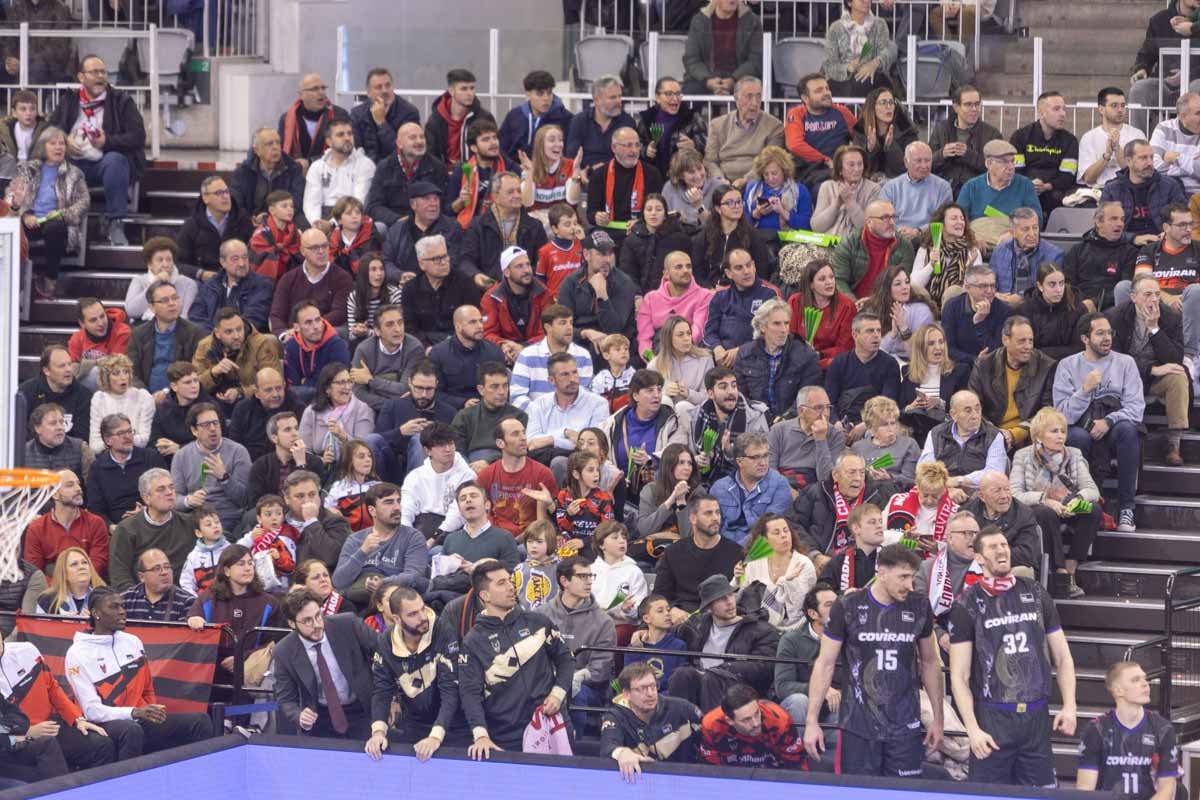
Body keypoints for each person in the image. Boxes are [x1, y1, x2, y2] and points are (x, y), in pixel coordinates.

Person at [948, 526, 1077, 786]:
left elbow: (1063, 657)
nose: (1001, 550)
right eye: (993, 547)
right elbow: (959, 676)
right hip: (993, 717)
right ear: (979, 558)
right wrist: (972, 729)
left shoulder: (1036, 592)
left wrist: (1070, 705)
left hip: (1036, 716)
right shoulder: (967, 603)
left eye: (1004, 545)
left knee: (1042, 792)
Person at [803, 544, 942, 776]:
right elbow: (824, 664)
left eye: (912, 577)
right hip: (857, 725)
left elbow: (930, 662)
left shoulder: (919, 605)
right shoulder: (848, 606)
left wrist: (938, 719)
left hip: (905, 724)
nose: (909, 584)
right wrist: (811, 721)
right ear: (882, 572)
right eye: (903, 577)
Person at [66, 589, 213, 758]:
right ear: (96, 613)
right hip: (106, 724)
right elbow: (91, 711)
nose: (122, 611)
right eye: (114, 607)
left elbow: (147, 689)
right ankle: (127, 783)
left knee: (200, 722)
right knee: (131, 730)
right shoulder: (77, 653)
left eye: (122, 606)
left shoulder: (133, 642)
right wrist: (133, 712)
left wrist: (151, 712)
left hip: (139, 718)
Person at [457, 560, 575, 755]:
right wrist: (481, 735)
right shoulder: (473, 642)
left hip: (554, 725)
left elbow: (566, 660)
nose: (511, 587)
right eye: (501, 583)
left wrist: (558, 694)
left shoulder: (538, 622)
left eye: (510, 581)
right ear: (485, 595)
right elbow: (469, 693)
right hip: (507, 737)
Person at [1053, 312, 1145, 532]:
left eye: (1109, 332)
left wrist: (1108, 421)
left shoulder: (1126, 363)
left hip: (1113, 426)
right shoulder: (1067, 365)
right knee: (1076, 437)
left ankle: (1126, 508)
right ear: (1085, 338)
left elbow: (1136, 408)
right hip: (1080, 426)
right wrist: (1084, 390)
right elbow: (1062, 415)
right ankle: (1080, 507)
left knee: (1128, 430)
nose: (1107, 338)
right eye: (1100, 333)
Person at [49, 55, 145, 247]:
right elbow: (49, 129)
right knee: (51, 165)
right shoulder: (69, 100)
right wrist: (64, 140)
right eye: (94, 72)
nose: (100, 76)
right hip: (74, 164)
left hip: (104, 163)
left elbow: (138, 136)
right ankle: (58, 226)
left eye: (103, 72)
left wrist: (106, 141)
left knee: (116, 161)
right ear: (81, 77)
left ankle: (116, 223)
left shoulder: (121, 101)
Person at [365, 588, 468, 760]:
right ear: (397, 619)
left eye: (422, 608)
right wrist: (378, 732)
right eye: (413, 614)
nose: (422, 617)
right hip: (415, 724)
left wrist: (435, 737)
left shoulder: (443, 630)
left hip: (454, 724)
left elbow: (450, 690)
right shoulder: (385, 642)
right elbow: (381, 691)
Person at [1011, 406, 1103, 598]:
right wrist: (1045, 500)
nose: (1060, 436)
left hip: (1069, 506)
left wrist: (1076, 501)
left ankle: (1072, 566)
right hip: (1040, 510)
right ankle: (1059, 571)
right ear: (1038, 436)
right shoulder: (1023, 456)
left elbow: (1092, 490)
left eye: (1063, 431)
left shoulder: (1074, 454)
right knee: (1045, 512)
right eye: (1054, 431)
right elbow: (1015, 494)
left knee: (1093, 510)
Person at [1107, 274, 1190, 466]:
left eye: (1157, 294)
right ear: (1133, 296)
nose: (1153, 299)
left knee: (1178, 376)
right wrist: (1152, 369)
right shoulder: (1115, 317)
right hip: (1126, 378)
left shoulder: (1171, 317)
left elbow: (1175, 358)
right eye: (1147, 294)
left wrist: (1154, 329)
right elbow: (1114, 360)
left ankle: (1173, 442)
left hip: (1156, 381)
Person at [664, 573, 780, 710]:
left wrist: (723, 669)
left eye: (731, 595)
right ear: (709, 607)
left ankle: (712, 729)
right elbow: (665, 633)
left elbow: (764, 668)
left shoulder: (761, 629)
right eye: (721, 599)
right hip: (701, 682)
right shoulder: (697, 625)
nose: (730, 602)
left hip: (739, 689)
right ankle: (682, 728)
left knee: (712, 678)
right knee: (682, 674)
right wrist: (643, 632)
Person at [271, 589, 376, 739]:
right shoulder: (284, 651)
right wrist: (299, 716)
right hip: (320, 718)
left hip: (362, 709)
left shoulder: (347, 624)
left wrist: (391, 698)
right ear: (292, 623)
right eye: (307, 620)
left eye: (318, 616)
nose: (317, 625)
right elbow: (286, 698)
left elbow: (383, 653)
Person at [1076, 661, 1180, 800]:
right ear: (1118, 690)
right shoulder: (1096, 730)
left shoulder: (1163, 729)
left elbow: (1167, 790)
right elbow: (1085, 789)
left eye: (1145, 678)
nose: (1145, 684)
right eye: (1135, 680)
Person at [11, 126, 88, 298]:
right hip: (29, 221)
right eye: (53, 143)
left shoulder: (74, 174)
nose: (58, 147)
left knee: (55, 227)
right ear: (43, 147)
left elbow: (83, 202)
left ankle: (50, 279)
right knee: (13, 233)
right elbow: (12, 195)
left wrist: (62, 214)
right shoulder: (28, 170)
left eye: (61, 143)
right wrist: (25, 214)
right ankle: (15, 286)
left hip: (56, 221)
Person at [793, 452, 898, 573]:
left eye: (862, 473)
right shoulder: (817, 493)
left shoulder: (876, 496)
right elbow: (794, 524)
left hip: (862, 564)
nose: (858, 478)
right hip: (821, 563)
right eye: (852, 472)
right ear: (836, 475)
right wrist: (814, 554)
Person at [967, 315, 1057, 453]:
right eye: (1022, 341)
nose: (1028, 347)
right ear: (1005, 340)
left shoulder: (1045, 366)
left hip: (1029, 436)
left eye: (1030, 341)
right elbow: (974, 407)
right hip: (990, 434)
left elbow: (1047, 411)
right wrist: (995, 434)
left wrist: (1014, 434)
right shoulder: (984, 366)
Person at [601, 662, 702, 782]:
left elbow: (709, 734)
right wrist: (623, 753)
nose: (650, 694)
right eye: (642, 689)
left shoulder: (682, 709)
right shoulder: (615, 716)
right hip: (639, 782)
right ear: (626, 694)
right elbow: (608, 746)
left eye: (653, 686)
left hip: (684, 780)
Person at [1130, 204, 1200, 370]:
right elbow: (1140, 281)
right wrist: (1168, 299)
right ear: (1166, 227)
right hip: (1156, 304)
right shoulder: (1150, 250)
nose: (1189, 229)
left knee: (1195, 291)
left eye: (1191, 224)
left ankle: (1188, 356)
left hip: (1189, 305)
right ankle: (1129, 348)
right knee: (1124, 288)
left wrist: (1182, 298)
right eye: (1182, 225)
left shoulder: (1198, 249)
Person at [735, 299, 821, 420]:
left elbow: (808, 398)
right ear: (762, 327)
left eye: (786, 323)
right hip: (754, 421)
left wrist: (784, 420)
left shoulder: (806, 355)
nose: (784, 330)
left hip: (793, 424)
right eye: (777, 324)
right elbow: (740, 396)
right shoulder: (745, 354)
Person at [774, 582, 840, 728]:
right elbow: (783, 686)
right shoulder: (791, 640)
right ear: (812, 613)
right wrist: (820, 689)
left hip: (832, 707)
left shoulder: (847, 638)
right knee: (799, 701)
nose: (838, 609)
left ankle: (832, 749)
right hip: (802, 705)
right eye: (829, 605)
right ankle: (798, 749)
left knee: (845, 703)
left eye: (838, 603)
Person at [24, 468, 107, 580]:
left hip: (87, 584)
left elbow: (98, 563)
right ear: (55, 494)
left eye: (78, 484)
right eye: (70, 485)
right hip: (51, 590)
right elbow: (34, 572)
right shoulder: (36, 528)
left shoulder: (96, 523)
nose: (78, 489)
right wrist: (59, 588)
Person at [192, 307, 282, 411]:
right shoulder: (204, 346)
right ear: (217, 333)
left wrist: (240, 392)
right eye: (229, 332)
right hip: (214, 404)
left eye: (239, 329)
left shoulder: (261, 343)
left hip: (254, 404)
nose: (236, 336)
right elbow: (194, 386)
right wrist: (213, 373)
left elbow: (273, 383)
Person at [268, 228, 354, 335]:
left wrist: (306, 329)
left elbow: (339, 314)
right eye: (314, 248)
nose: (321, 251)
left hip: (326, 334)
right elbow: (277, 315)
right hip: (292, 337)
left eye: (324, 246)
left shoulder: (342, 278)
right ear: (302, 251)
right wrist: (283, 334)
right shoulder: (288, 279)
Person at [85, 413, 166, 526]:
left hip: (151, 521)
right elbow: (95, 508)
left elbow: (165, 492)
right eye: (121, 433)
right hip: (115, 527)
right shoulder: (97, 468)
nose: (127, 436)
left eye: (129, 431)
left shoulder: (151, 458)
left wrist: (146, 511)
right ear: (108, 440)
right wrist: (111, 527)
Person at [699, 683, 804, 768]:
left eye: (757, 713)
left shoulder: (780, 720)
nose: (756, 723)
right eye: (746, 719)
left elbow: (796, 766)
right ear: (729, 720)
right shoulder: (711, 726)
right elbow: (711, 771)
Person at [738, 512, 816, 629]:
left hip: (797, 628)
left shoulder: (804, 564)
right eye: (777, 533)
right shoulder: (753, 563)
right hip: (758, 627)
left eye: (786, 530)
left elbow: (799, 607)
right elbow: (744, 599)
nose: (784, 535)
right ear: (765, 539)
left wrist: (786, 582)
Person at [1009, 91, 1080, 219]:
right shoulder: (1020, 137)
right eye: (1056, 109)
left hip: (1056, 192)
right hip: (1024, 188)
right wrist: (1029, 184)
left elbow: (1068, 175)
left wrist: (1047, 186)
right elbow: (1016, 170)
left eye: (1064, 109)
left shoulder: (1070, 141)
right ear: (1041, 112)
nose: (1063, 114)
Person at [825, 311, 901, 428]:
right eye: (870, 331)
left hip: (875, 425)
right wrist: (836, 424)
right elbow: (829, 402)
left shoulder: (890, 364)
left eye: (878, 330)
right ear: (855, 335)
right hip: (841, 423)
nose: (876, 335)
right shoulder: (839, 363)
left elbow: (888, 405)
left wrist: (866, 425)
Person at [703, 77, 784, 186]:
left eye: (758, 96)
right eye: (749, 97)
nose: (755, 103)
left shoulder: (774, 126)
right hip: (722, 183)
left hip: (757, 181)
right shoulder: (717, 125)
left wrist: (746, 180)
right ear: (736, 99)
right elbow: (710, 161)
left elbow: (769, 161)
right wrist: (720, 179)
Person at [401, 235, 479, 347]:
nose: (444, 262)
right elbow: (410, 329)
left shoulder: (465, 283)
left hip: (459, 345)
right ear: (422, 264)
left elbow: (472, 323)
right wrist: (427, 347)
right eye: (437, 259)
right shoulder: (410, 289)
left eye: (445, 256)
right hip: (424, 347)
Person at [896, 324, 968, 445]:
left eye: (941, 342)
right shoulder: (908, 373)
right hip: (916, 435)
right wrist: (910, 408)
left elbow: (965, 407)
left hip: (947, 434)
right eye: (931, 344)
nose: (938, 347)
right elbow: (899, 411)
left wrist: (940, 403)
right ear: (920, 348)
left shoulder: (960, 371)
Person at [128, 281, 204, 395]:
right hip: (145, 398)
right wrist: (146, 397)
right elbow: (132, 373)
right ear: (152, 307)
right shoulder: (138, 334)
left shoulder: (194, 333)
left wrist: (169, 394)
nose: (172, 303)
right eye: (164, 300)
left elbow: (197, 373)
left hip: (180, 396)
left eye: (175, 298)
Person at [784, 74, 857, 192]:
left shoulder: (842, 112)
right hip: (809, 172)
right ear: (805, 98)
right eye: (819, 91)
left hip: (839, 170)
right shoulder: (796, 113)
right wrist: (824, 160)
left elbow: (860, 138)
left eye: (827, 88)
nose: (826, 93)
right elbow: (794, 145)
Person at [1063, 202, 1141, 312]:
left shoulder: (1130, 253)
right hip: (1079, 306)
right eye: (1114, 219)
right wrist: (1081, 304)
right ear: (1099, 222)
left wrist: (1095, 303)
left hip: (1111, 308)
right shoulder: (1077, 250)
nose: (1120, 224)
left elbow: (1124, 290)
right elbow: (1067, 284)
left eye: (1122, 219)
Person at [1102, 140, 1187, 240]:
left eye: (1151, 157)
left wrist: (1168, 234)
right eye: (1143, 158)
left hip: (1162, 242)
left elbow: (1184, 219)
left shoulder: (1170, 185)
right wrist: (1133, 239)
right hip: (1125, 246)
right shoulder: (1112, 189)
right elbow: (1104, 227)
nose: (1150, 163)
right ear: (1128, 161)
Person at [830, 199, 916, 299]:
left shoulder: (904, 245)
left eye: (893, 217)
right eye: (885, 218)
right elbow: (839, 280)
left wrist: (878, 304)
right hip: (854, 304)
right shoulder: (849, 243)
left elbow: (903, 285)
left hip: (887, 303)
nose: (892, 222)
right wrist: (854, 303)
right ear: (869, 222)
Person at [368, 125, 449, 230]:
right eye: (413, 137)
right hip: (395, 224)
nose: (419, 141)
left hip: (428, 223)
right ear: (399, 143)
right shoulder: (384, 167)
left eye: (422, 137)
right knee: (380, 228)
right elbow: (374, 206)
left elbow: (443, 203)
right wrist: (398, 220)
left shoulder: (437, 166)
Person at [480, 246, 553, 363]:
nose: (526, 270)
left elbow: (548, 331)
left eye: (528, 264)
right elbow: (488, 333)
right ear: (507, 272)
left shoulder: (544, 293)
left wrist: (524, 347)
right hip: (505, 355)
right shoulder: (491, 298)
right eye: (519, 266)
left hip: (537, 353)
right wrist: (503, 345)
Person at [175, 176, 254, 281]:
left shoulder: (243, 221)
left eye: (227, 192)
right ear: (205, 198)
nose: (225, 196)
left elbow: (254, 256)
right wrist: (202, 274)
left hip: (238, 278)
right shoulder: (192, 225)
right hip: (204, 282)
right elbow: (179, 264)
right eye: (219, 193)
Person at [691, 184, 772, 286]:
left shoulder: (753, 236)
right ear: (718, 209)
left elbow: (761, 272)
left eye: (739, 202)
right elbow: (698, 272)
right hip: (710, 291)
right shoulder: (705, 236)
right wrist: (710, 290)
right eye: (730, 203)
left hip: (743, 291)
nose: (736, 206)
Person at [929, 85, 1003, 195]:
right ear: (956, 107)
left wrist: (968, 155)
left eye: (977, 104)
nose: (974, 109)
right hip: (944, 191)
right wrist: (942, 154)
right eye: (968, 105)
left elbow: (999, 170)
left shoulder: (992, 133)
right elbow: (927, 163)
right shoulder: (941, 129)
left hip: (979, 193)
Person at [348, 303, 423, 413]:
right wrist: (391, 405)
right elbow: (358, 393)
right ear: (377, 331)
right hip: (370, 409)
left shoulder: (415, 348)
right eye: (389, 324)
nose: (397, 329)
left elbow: (406, 389)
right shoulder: (363, 350)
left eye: (400, 323)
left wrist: (370, 380)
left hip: (405, 410)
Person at [302, 118, 375, 228]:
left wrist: (332, 224)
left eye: (350, 134)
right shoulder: (317, 166)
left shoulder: (365, 164)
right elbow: (311, 203)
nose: (347, 138)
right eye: (340, 135)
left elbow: (358, 202)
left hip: (353, 217)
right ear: (329, 141)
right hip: (322, 217)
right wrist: (317, 224)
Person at [381, 182, 462, 281]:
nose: (433, 204)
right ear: (413, 204)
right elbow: (386, 262)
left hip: (441, 286)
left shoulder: (452, 228)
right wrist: (400, 275)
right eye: (427, 199)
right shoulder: (397, 230)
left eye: (436, 199)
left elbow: (455, 262)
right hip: (403, 286)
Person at [188, 241, 274, 334]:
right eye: (235, 259)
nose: (242, 263)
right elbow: (196, 316)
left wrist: (227, 334)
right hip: (211, 339)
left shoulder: (262, 285)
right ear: (223, 262)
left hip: (245, 341)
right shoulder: (210, 285)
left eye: (245, 257)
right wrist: (215, 335)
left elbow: (254, 319)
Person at [229, 127, 308, 228]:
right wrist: (251, 219)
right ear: (257, 150)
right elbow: (237, 202)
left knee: (305, 228)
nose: (275, 147)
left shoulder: (293, 169)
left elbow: (296, 200)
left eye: (278, 143)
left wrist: (272, 217)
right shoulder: (242, 172)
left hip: (285, 217)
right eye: (269, 144)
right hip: (253, 219)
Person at [681, 0, 763, 96]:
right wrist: (708, 80)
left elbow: (756, 59)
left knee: (755, 89)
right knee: (687, 93)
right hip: (706, 78)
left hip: (740, 78)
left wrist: (734, 79)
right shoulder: (699, 21)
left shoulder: (752, 21)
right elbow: (692, 59)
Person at [618, 194, 693, 297]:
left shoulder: (679, 239)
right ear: (643, 214)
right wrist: (637, 296)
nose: (653, 213)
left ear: (665, 214)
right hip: (640, 296)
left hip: (673, 295)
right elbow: (628, 273)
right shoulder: (631, 240)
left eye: (658, 209)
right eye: (649, 209)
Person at [227, 366, 307, 462]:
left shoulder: (298, 408)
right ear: (256, 392)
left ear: (284, 386)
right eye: (269, 390)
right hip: (250, 465)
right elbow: (234, 447)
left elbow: (303, 445)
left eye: (279, 388)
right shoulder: (242, 409)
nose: (275, 394)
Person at [955, 140, 1042, 227]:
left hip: (1013, 238)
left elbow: (1037, 220)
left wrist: (1014, 233)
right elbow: (958, 221)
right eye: (1004, 162)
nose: (1011, 167)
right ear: (989, 163)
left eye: (1013, 161)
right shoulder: (971, 187)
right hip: (978, 238)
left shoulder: (1025, 185)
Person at [635, 76, 707, 179]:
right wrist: (646, 151)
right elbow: (637, 145)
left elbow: (706, 145)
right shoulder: (647, 118)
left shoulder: (692, 117)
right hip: (653, 177)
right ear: (658, 98)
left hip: (683, 178)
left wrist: (694, 145)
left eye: (678, 94)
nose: (675, 98)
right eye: (669, 94)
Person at [499, 69, 573, 169]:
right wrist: (516, 168)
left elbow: (568, 153)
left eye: (549, 93)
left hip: (551, 173)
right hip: (516, 171)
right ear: (528, 95)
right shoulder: (514, 116)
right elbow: (502, 148)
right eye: (540, 94)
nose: (546, 98)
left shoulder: (565, 118)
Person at [447, 119, 512, 231]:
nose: (493, 142)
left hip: (501, 226)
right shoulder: (463, 170)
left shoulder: (508, 166)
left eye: (494, 137)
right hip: (469, 228)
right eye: (486, 139)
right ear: (474, 148)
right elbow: (448, 210)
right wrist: (461, 201)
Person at [426, 69, 495, 173]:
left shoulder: (484, 117)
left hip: (477, 174)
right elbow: (430, 156)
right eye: (464, 89)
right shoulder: (435, 121)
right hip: (443, 177)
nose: (469, 93)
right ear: (451, 91)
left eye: (472, 88)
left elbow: (493, 150)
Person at [277, 73, 351, 170]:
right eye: (315, 89)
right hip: (297, 174)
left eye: (323, 88)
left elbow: (346, 148)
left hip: (332, 171)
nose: (321, 93)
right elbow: (281, 152)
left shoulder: (339, 114)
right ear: (301, 95)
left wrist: (310, 162)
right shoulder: (287, 119)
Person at [565, 75, 637, 173]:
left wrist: (607, 168)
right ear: (596, 100)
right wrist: (587, 171)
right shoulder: (579, 121)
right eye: (612, 98)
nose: (618, 101)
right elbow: (571, 157)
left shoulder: (627, 122)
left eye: (620, 96)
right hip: (585, 176)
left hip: (616, 175)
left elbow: (631, 155)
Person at [880, 143, 954, 237]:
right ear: (906, 162)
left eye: (927, 161)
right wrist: (899, 232)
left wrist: (918, 232)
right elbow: (882, 218)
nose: (924, 166)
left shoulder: (943, 187)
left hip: (929, 238)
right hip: (895, 237)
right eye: (918, 161)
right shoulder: (891, 187)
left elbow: (944, 220)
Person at [281, 302, 352, 401]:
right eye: (308, 322)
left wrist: (305, 383)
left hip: (331, 401)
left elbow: (335, 384)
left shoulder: (337, 345)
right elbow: (292, 386)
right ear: (296, 327)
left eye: (318, 320)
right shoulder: (292, 346)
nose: (316, 326)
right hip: (300, 402)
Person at [21, 345, 92, 442]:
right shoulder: (26, 392)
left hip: (69, 454)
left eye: (69, 364)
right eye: (61, 366)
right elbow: (20, 433)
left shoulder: (84, 395)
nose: (69, 370)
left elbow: (81, 438)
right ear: (46, 370)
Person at [942, 265, 1011, 364]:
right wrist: (974, 360)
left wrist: (980, 324)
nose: (990, 291)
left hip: (992, 369)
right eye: (983, 286)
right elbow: (948, 348)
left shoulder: (1004, 311)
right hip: (960, 366)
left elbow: (997, 352)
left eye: (992, 285)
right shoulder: (952, 307)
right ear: (967, 287)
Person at [822, 0, 894, 96]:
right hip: (842, 80)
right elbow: (829, 65)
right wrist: (848, 68)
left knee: (871, 82)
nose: (866, 1)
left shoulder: (879, 24)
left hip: (871, 77)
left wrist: (874, 63)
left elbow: (885, 51)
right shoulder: (835, 28)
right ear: (849, 3)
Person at [1017, 262, 1087, 360]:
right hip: (1034, 366)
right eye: (1052, 285)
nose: (1058, 290)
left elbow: (1079, 348)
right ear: (1040, 286)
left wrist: (1040, 353)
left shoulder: (1078, 309)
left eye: (1061, 283)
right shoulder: (1025, 310)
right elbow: (1023, 347)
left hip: (1068, 365)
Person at [351, 68, 420, 165]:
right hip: (365, 169)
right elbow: (356, 150)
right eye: (378, 87)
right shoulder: (357, 114)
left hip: (396, 169)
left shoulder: (409, 112)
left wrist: (381, 123)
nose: (385, 90)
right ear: (369, 92)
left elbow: (404, 152)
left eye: (388, 85)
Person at [88, 354, 154, 454]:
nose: (123, 377)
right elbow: (94, 445)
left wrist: (113, 440)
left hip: (137, 454)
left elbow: (144, 440)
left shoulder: (143, 397)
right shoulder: (99, 398)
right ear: (106, 378)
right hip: (107, 456)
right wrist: (123, 441)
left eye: (126, 372)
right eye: (116, 373)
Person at [124, 238, 200, 323]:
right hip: (143, 329)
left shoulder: (188, 284)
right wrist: (154, 284)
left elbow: (186, 318)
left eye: (169, 260)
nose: (165, 264)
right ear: (149, 264)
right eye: (160, 260)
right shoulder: (139, 281)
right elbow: (132, 312)